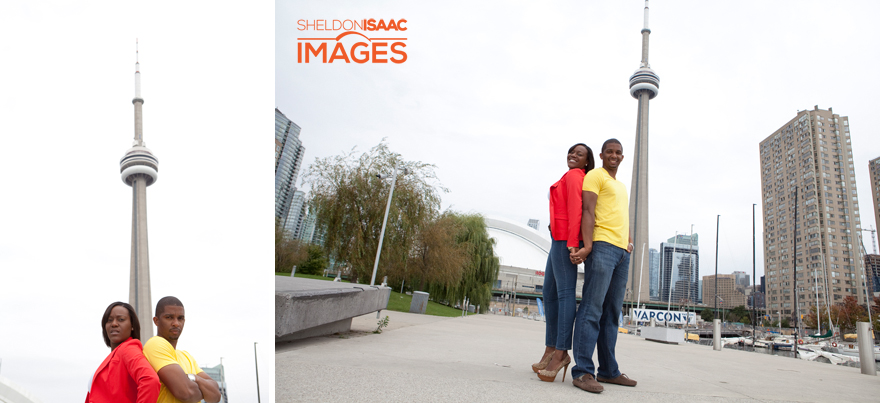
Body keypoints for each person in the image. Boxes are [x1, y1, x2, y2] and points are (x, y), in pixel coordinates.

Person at [569, 138, 637, 393]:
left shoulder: (619, 185)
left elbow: (623, 216)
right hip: (602, 247)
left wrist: (629, 243)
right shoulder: (595, 176)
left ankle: (608, 371)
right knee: (591, 309)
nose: (614, 155)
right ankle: (583, 372)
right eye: (609, 151)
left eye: (618, 152)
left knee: (611, 314)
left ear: (622, 157)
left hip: (622, 253)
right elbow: (588, 210)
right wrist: (587, 246)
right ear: (601, 154)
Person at [533, 143, 594, 382]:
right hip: (556, 237)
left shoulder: (575, 175)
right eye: (571, 152)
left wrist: (572, 243)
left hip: (564, 240)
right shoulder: (569, 175)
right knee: (549, 293)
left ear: (586, 162)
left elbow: (575, 210)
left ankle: (561, 352)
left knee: (565, 294)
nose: (573, 155)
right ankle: (550, 348)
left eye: (579, 154)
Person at [143, 296, 221, 403]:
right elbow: (185, 392)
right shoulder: (155, 344)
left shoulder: (186, 356)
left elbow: (216, 395)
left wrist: (194, 378)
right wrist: (202, 389)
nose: (176, 323)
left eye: (180, 318)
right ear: (156, 321)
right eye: (169, 317)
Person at [86, 301, 160, 403]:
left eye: (121, 319)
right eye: (109, 320)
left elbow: (150, 380)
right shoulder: (114, 356)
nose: (114, 324)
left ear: (132, 325)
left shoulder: (128, 349)